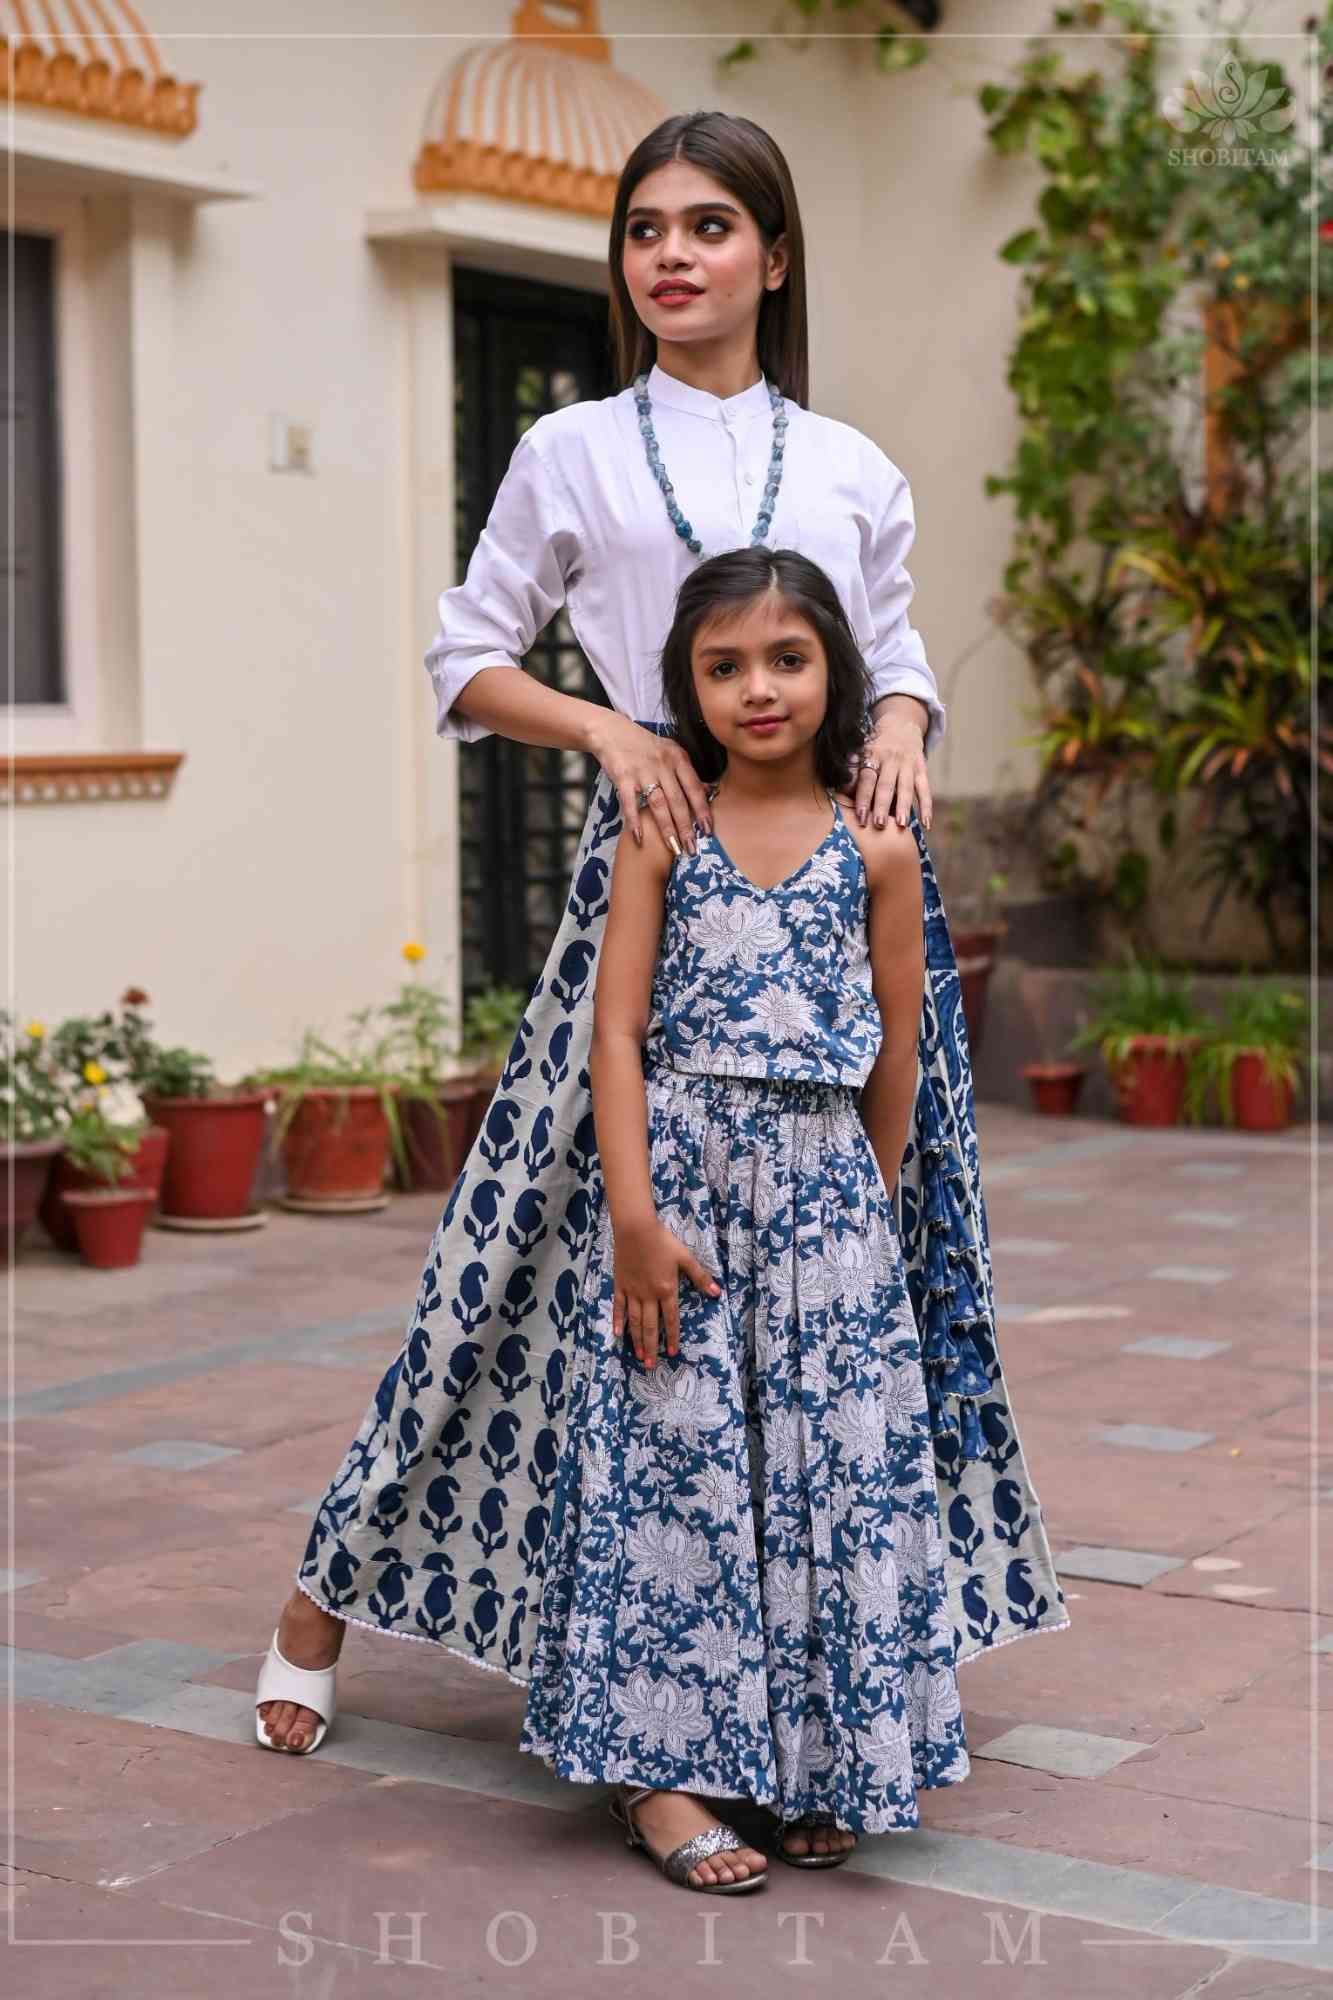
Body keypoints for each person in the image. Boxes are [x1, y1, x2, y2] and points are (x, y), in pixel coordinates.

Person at [255, 111, 1069, 1858]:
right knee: (496, 1281)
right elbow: (467, 655)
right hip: (645, 915)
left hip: (836, 923)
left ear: (774, 255)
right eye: (644, 231)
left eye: (709, 227)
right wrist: (611, 727)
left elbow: (893, 646)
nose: (672, 257)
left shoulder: (851, 463)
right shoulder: (568, 448)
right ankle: (323, 1598)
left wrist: (907, 726)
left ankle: (812, 1685)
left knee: (853, 1313)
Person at [516, 545, 970, 1892]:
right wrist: (635, 1218)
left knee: (821, 1470)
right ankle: (658, 1782)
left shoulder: (876, 840)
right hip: (684, 1190)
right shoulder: (663, 828)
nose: (756, 689)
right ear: (686, 685)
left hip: (827, 1196)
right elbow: (613, 1031)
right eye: (723, 666)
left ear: (833, 673)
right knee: (675, 1464)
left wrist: (865, 1214)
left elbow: (898, 1042)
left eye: (785, 660)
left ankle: (811, 1762)